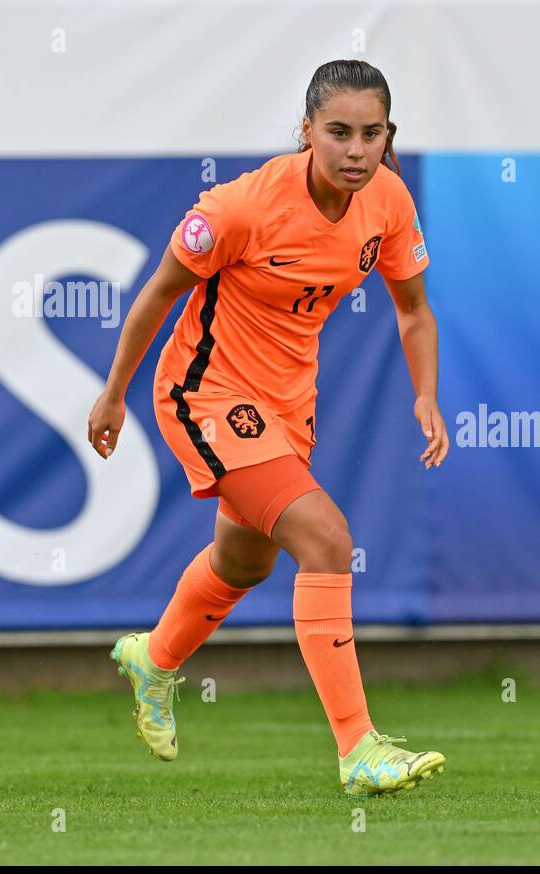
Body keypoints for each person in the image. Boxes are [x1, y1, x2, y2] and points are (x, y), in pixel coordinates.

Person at [87, 60, 449, 796]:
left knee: (246, 562)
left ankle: (154, 659)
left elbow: (412, 309)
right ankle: (359, 748)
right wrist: (114, 390)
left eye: (370, 133)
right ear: (306, 131)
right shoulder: (240, 208)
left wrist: (427, 396)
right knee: (327, 539)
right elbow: (160, 291)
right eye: (338, 131)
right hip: (206, 391)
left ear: (389, 136)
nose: (354, 149)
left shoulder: (388, 201)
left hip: (286, 403)